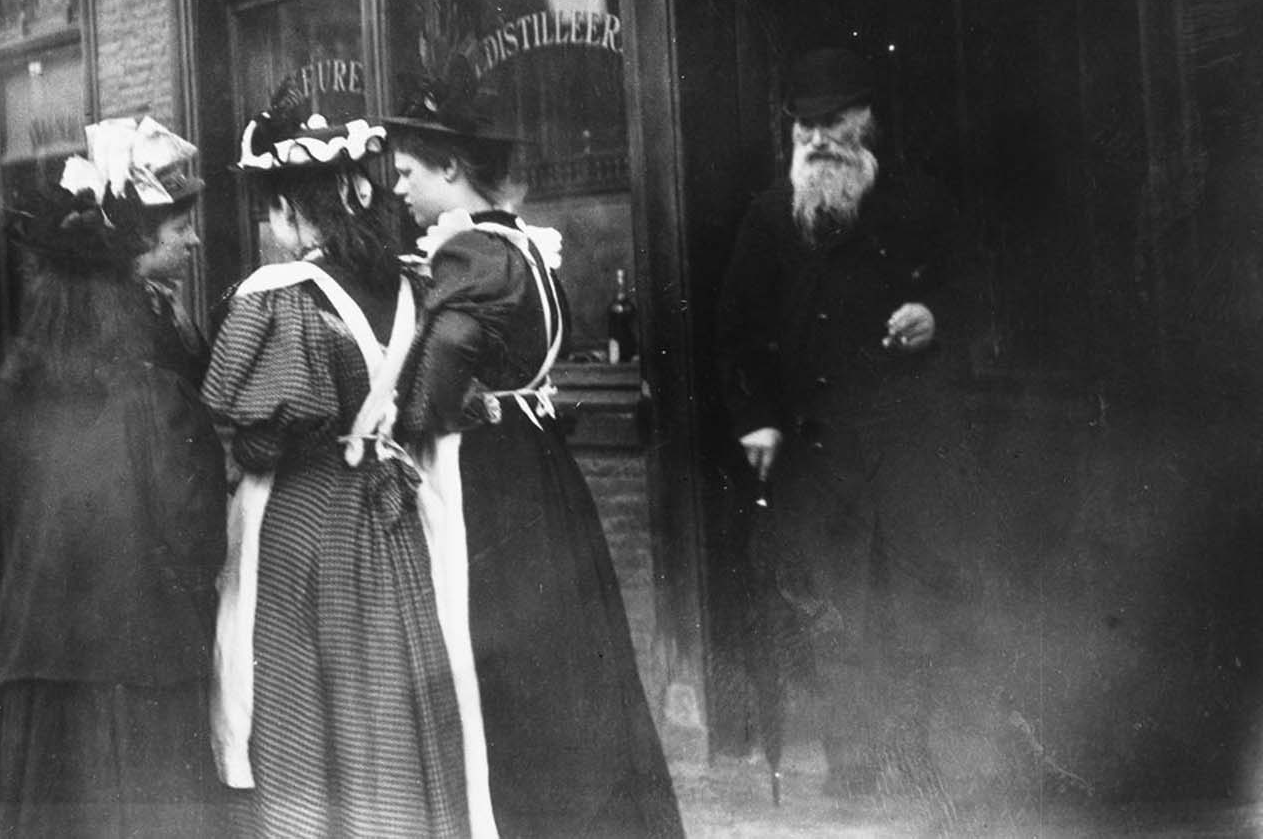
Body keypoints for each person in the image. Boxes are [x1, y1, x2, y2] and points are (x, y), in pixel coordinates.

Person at [384, 72, 685, 839]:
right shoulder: (524, 242)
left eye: (409, 170)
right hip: (542, 470)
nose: (398, 185)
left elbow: (428, 403)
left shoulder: (470, 260)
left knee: (506, 670)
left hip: (489, 483)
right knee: (570, 663)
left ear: (451, 169)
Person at [0, 116, 229, 838]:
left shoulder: (6, 394)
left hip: (29, 677)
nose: (191, 239)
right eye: (178, 226)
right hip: (141, 677)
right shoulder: (157, 397)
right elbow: (196, 535)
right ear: (126, 262)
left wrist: (38, 568)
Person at [204, 98, 488, 837]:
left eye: (273, 214)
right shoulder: (413, 286)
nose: (271, 231)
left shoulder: (279, 300)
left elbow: (259, 443)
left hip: (308, 527)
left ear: (294, 211)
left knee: (305, 706)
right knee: (389, 696)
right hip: (395, 524)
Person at [714, 47, 963, 798]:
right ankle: (852, 772)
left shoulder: (917, 204)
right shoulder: (769, 215)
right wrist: (754, 417)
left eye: (832, 122)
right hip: (814, 449)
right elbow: (734, 329)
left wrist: (934, 318)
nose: (817, 138)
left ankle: (912, 758)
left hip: (904, 441)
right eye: (805, 125)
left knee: (907, 604)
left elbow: (970, 293)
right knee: (831, 612)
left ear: (863, 126)